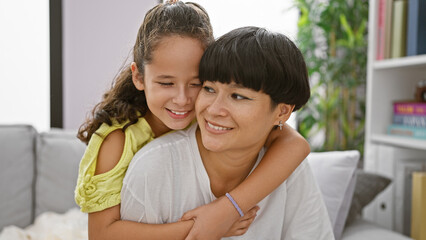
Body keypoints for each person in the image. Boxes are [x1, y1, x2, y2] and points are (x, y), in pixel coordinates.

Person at [74, 1, 310, 239]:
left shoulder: (211, 117)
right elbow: (101, 234)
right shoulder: (117, 141)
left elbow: (296, 145)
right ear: (138, 77)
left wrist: (228, 208)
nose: (182, 99)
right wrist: (205, 227)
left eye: (198, 84)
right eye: (166, 83)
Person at [121, 26, 334, 239]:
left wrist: (229, 207)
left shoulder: (290, 170)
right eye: (209, 89)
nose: (213, 110)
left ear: (282, 112)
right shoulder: (153, 168)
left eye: (238, 97)